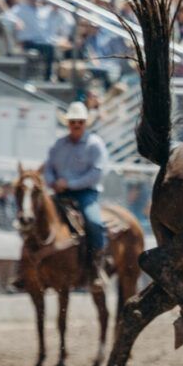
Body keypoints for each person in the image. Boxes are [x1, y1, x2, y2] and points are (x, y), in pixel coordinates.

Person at [42, 101, 109, 289]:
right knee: (37, 217)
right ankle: (29, 268)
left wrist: (69, 183)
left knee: (94, 222)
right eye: (73, 121)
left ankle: (97, 266)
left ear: (85, 123)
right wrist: (52, 182)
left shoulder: (95, 144)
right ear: (68, 123)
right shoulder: (58, 144)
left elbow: (96, 173)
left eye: (79, 121)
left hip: (86, 193)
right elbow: (48, 168)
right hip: (60, 193)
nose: (76, 125)